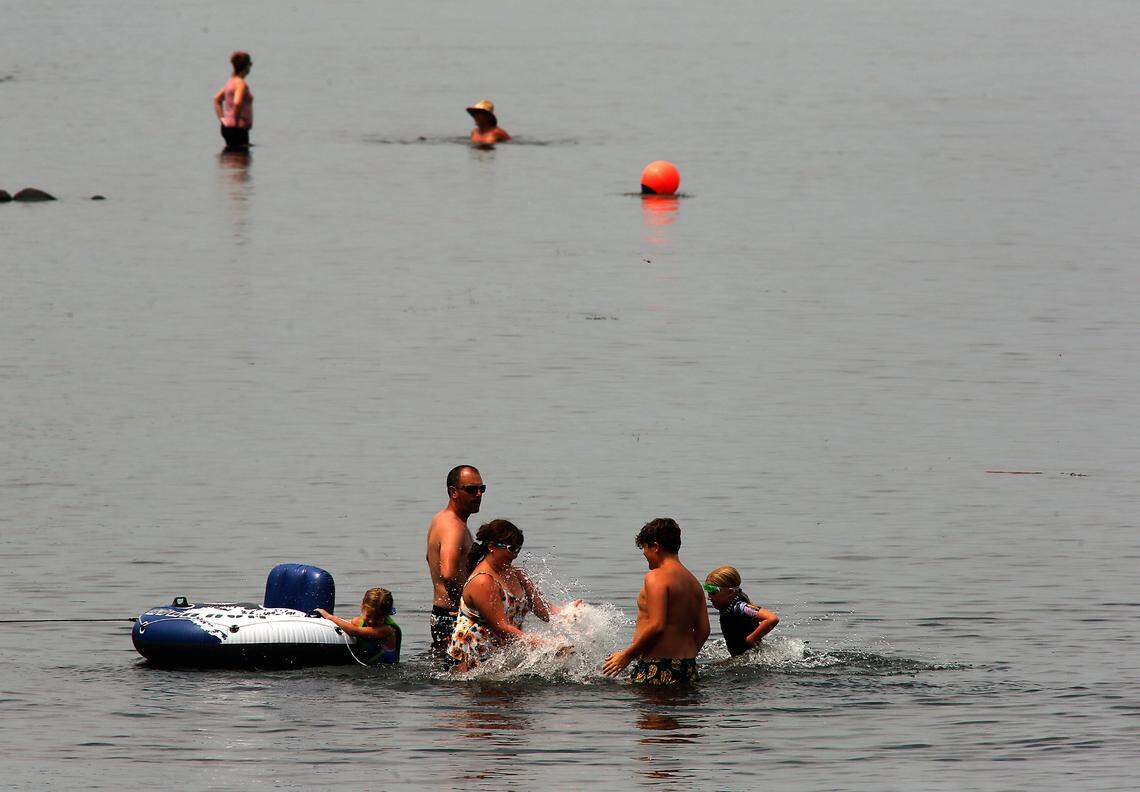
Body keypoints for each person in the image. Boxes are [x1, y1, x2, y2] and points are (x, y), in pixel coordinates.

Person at [602, 518, 709, 686]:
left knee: (651, 711)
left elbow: (657, 625)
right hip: (688, 667)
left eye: (644, 548)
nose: (644, 554)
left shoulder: (656, 577)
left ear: (656, 547)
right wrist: (682, 662)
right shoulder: (694, 583)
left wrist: (626, 656)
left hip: (657, 666)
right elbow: (704, 630)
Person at [446, 519, 561, 671]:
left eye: (518, 550)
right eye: (511, 549)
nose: (515, 555)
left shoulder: (518, 574)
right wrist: (546, 645)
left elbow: (544, 610)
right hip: (473, 657)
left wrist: (570, 614)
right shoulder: (483, 581)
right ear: (492, 547)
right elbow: (502, 627)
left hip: (500, 654)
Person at [426, 465, 485, 658]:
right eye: (471, 489)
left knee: (448, 674)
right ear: (453, 492)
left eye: (481, 489)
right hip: (453, 615)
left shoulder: (442, 519)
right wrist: (472, 603)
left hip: (443, 614)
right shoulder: (453, 527)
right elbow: (449, 573)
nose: (478, 494)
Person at [704, 566, 779, 657]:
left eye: (713, 592)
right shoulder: (726, 607)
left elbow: (772, 619)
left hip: (751, 660)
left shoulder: (740, 607)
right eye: (708, 592)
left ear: (730, 592)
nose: (709, 597)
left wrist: (751, 639)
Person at [315, 587, 401, 665]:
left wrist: (329, 616)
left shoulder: (387, 630)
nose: (372, 621)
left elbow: (354, 631)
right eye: (369, 616)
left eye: (378, 618)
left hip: (385, 671)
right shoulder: (358, 622)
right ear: (362, 607)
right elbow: (343, 623)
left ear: (386, 615)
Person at [213, 51, 253, 151]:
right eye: (250, 64)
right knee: (241, 163)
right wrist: (235, 123)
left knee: (231, 159)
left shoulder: (231, 82)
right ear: (246, 66)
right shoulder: (240, 83)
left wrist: (222, 119)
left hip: (227, 128)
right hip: (238, 129)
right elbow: (237, 102)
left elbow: (217, 99)